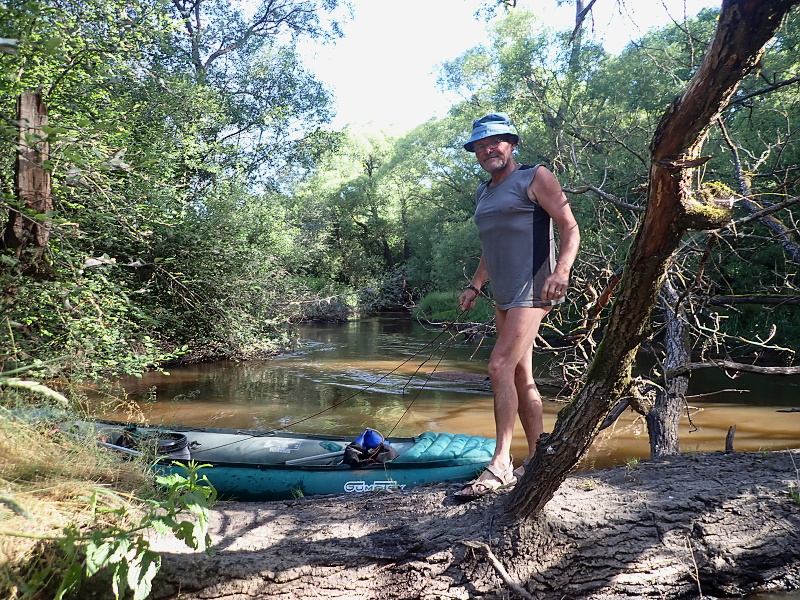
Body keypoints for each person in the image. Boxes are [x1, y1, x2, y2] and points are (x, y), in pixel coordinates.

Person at [455, 112, 580, 500]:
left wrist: (562, 270)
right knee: (521, 375)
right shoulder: (483, 192)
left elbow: (569, 226)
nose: (488, 148)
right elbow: (491, 246)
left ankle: (502, 463)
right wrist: (476, 285)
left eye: (495, 141)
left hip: (535, 289)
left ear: (511, 144)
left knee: (498, 366)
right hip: (504, 295)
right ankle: (540, 454)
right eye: (480, 144)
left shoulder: (534, 176)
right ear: (475, 152)